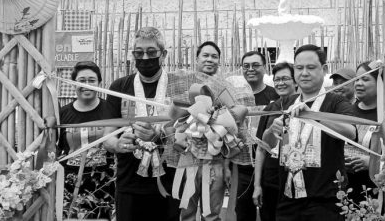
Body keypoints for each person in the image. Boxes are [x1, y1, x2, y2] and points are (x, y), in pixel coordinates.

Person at [268, 45, 356, 221]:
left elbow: (350, 133)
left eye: (311, 67)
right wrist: (272, 130)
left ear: (324, 70)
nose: (304, 73)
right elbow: (267, 143)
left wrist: (313, 116)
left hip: (325, 201)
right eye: (299, 68)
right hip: (288, 198)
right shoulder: (285, 103)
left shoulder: (336, 102)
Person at [103, 27, 180, 221]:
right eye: (139, 53)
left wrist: (160, 135)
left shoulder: (178, 87)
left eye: (151, 52)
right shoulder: (119, 87)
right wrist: (118, 145)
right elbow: (108, 137)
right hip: (129, 183)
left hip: (170, 182)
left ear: (164, 55)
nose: (145, 58)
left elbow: (188, 134)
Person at [57, 61, 115, 219]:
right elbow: (59, 148)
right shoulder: (62, 114)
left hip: (103, 184)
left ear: (99, 83)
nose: (87, 85)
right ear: (74, 83)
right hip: (70, 184)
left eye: (92, 80)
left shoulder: (110, 110)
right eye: (82, 80)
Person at [180, 40, 227, 221]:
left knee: (212, 214)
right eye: (205, 55)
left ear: (219, 61)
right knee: (187, 212)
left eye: (214, 56)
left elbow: (232, 124)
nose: (210, 59)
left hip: (216, 159)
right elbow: (176, 118)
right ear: (197, 59)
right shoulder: (184, 87)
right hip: (188, 157)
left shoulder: (225, 88)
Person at [236, 51, 280, 221]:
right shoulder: (236, 96)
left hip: (270, 166)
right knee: (243, 212)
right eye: (246, 66)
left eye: (255, 65)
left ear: (265, 68)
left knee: (271, 213)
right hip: (243, 165)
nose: (250, 69)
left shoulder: (275, 95)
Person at [253, 62, 298, 221]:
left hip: (296, 179)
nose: (280, 83)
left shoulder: (304, 107)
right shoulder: (270, 108)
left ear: (296, 81)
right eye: (276, 79)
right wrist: (257, 185)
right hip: (270, 178)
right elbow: (261, 148)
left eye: (285, 78)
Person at [345, 61, 379, 203]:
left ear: (380, 83)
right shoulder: (346, 112)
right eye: (357, 79)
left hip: (375, 190)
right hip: (346, 188)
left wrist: (372, 163)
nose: (358, 83)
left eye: (365, 79)